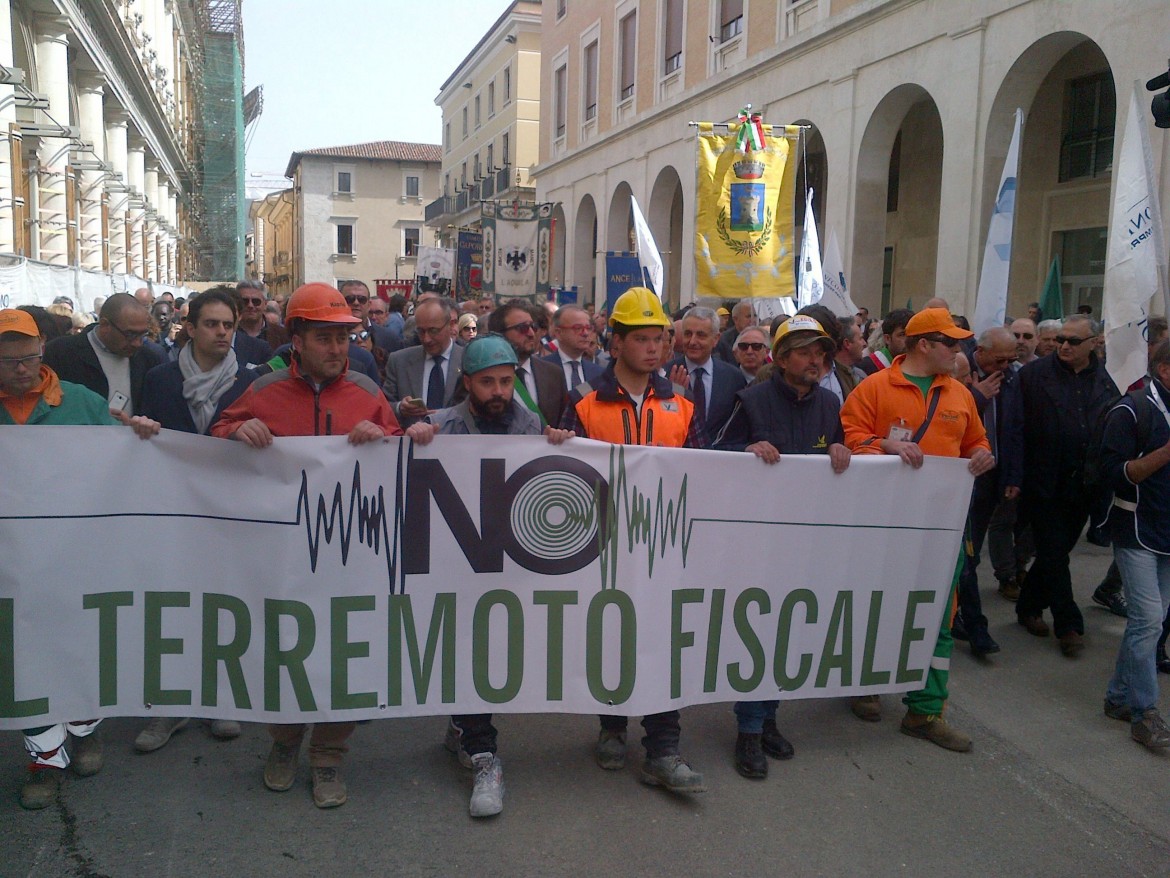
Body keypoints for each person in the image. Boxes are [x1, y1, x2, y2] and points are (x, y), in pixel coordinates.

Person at [211, 283, 403, 809]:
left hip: (349, 556)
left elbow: (401, 451)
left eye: (343, 337)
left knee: (344, 655)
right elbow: (213, 436)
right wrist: (237, 429)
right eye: (324, 337)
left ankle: (328, 757)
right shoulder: (265, 391)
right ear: (296, 338)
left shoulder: (366, 391)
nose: (337, 349)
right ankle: (284, 743)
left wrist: (384, 434)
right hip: (283, 559)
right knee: (286, 653)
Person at [405, 335, 574, 816]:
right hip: (456, 565)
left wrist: (556, 442)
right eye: (487, 382)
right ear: (467, 383)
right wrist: (414, 438)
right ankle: (483, 753)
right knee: (467, 650)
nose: (498, 391)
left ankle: (462, 729)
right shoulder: (441, 424)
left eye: (505, 381)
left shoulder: (528, 422)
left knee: (495, 650)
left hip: (509, 562)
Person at [1, 308, 160, 810]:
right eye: (8, 362)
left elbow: (122, 456)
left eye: (27, 358)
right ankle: (44, 759)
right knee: (23, 656)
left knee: (81, 644)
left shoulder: (80, 402)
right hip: (12, 563)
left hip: (76, 556)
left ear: (42, 352)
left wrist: (141, 435)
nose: (20, 369)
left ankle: (86, 730)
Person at [561, 287, 706, 794]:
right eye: (641, 338)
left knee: (665, 642)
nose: (653, 348)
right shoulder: (582, 404)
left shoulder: (683, 405)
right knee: (611, 635)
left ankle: (664, 748)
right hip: (604, 544)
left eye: (658, 339)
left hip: (664, 545)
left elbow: (702, 470)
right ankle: (611, 727)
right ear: (615, 341)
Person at [840, 308, 994, 750]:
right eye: (952, 343)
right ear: (924, 344)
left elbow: (977, 442)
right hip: (882, 524)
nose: (959, 351)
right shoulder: (874, 388)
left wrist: (983, 456)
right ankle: (863, 685)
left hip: (941, 527)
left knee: (938, 616)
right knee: (875, 605)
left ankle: (926, 711)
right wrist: (881, 445)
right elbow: (848, 439)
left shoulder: (959, 394)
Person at [714, 315, 850, 777]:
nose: (816, 360)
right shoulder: (749, 399)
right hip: (756, 540)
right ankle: (749, 729)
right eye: (806, 351)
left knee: (788, 629)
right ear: (781, 357)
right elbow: (712, 454)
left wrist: (841, 450)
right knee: (760, 631)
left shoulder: (831, 403)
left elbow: (845, 448)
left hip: (806, 539)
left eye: (822, 353)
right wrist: (746, 451)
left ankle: (768, 718)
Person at [132, 289, 259, 752]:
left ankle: (222, 698)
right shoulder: (162, 378)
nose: (223, 332)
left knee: (228, 602)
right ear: (191, 327)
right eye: (212, 324)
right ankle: (170, 706)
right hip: (176, 511)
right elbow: (147, 436)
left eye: (228, 325)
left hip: (232, 512)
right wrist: (143, 428)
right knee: (176, 604)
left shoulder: (252, 381)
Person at [1016, 315, 1119, 656]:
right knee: (1055, 553)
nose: (1064, 346)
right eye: (1061, 339)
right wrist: (1014, 477)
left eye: (1073, 341)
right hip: (1043, 480)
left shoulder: (1106, 379)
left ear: (1094, 343)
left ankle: (1028, 605)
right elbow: (1016, 430)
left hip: (1085, 484)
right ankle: (1068, 623)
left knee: (1054, 552)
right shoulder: (1033, 376)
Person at [1100, 340, 1170, 749]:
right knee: (1148, 622)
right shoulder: (1131, 410)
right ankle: (1145, 712)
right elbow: (1115, 473)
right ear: (1164, 370)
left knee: (1153, 620)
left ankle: (1117, 696)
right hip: (1137, 530)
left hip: (1166, 531)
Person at [955, 326, 1023, 657]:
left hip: (989, 481)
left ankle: (958, 616)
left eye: (1012, 360)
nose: (1006, 366)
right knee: (965, 560)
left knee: (970, 556)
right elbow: (952, 424)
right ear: (980, 352)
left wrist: (1012, 475)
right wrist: (977, 396)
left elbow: (1014, 431)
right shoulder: (960, 371)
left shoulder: (1011, 379)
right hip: (956, 484)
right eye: (1000, 359)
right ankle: (974, 626)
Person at [43, 292, 163, 415]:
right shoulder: (60, 354)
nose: (137, 343)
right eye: (130, 335)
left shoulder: (150, 359)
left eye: (143, 334)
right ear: (105, 325)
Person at [667, 306, 747, 446]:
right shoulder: (665, 374)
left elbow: (737, 429)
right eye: (688, 334)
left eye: (701, 335)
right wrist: (675, 395)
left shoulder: (733, 377)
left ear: (716, 339)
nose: (692, 341)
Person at [382, 297, 464, 426]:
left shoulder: (467, 360)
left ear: (450, 325)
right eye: (421, 331)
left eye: (433, 331)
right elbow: (383, 406)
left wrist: (448, 415)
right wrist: (399, 408)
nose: (426, 339)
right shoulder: (399, 361)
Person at [487, 300, 566, 428]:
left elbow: (562, 424)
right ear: (500, 333)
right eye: (522, 328)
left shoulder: (553, 374)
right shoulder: (482, 375)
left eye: (533, 327)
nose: (531, 334)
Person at [544, 305, 604, 390]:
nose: (585, 333)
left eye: (588, 328)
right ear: (558, 333)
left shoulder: (598, 372)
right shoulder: (542, 369)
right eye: (578, 328)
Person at [235, 279, 290, 350]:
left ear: (265, 304)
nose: (250, 305)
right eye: (245, 301)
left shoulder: (282, 335)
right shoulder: (228, 334)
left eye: (256, 301)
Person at [858, 308, 913, 375]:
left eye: (912, 334)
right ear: (887, 338)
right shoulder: (866, 367)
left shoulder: (920, 366)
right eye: (902, 335)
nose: (909, 340)